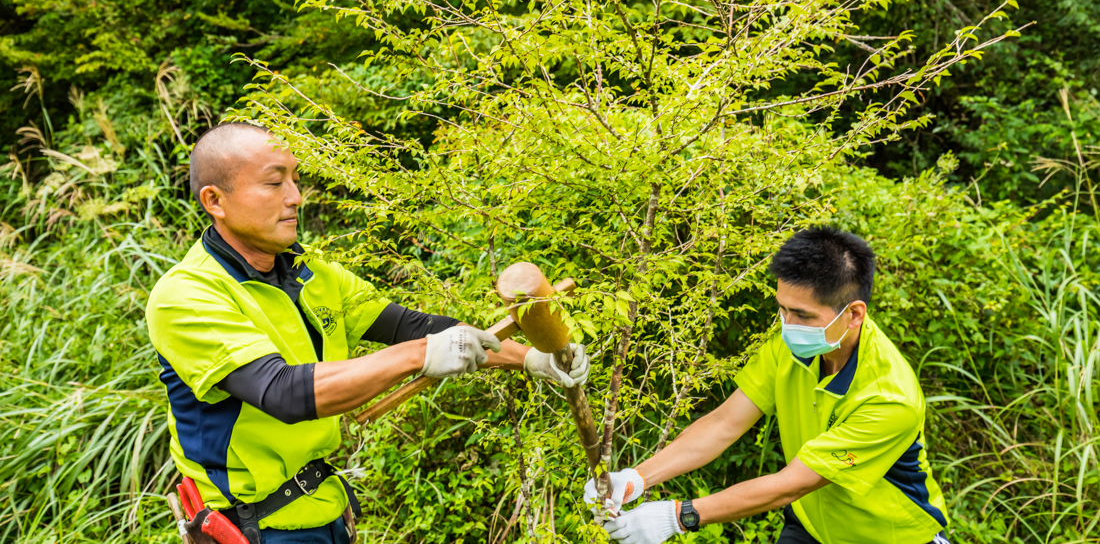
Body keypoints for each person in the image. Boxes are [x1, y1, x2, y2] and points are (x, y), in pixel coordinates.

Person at [147, 122, 590, 544]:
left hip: (324, 507)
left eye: (296, 180)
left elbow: (415, 329)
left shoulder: (311, 273)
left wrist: (532, 358)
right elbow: (281, 392)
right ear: (215, 200)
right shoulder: (186, 295)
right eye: (274, 182)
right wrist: (420, 354)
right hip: (250, 527)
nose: (296, 198)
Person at [584, 228, 950, 544]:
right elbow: (725, 423)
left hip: (889, 536)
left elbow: (791, 483)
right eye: (783, 309)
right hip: (811, 526)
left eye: (803, 315)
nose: (788, 324)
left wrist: (678, 516)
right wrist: (636, 478)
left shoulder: (889, 398)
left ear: (853, 314)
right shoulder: (790, 345)